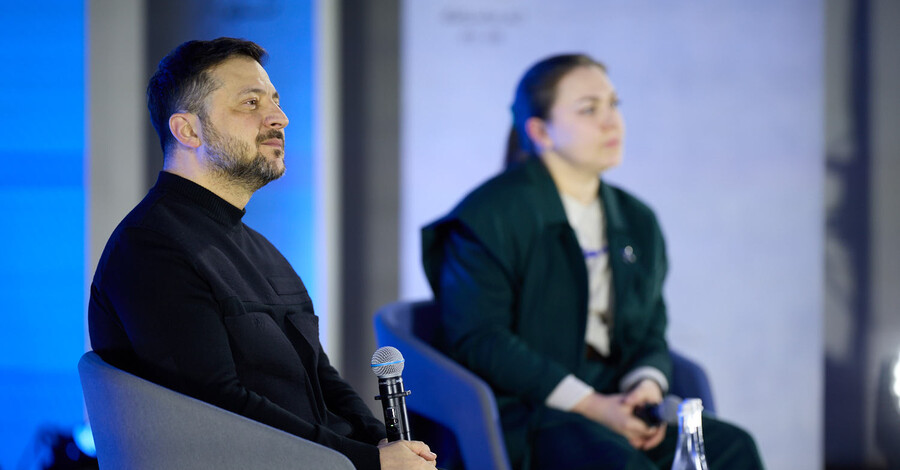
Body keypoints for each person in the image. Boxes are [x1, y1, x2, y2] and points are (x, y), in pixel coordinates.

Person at [88, 37, 436, 470]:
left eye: (275, 101)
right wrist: (368, 462)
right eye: (250, 103)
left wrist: (384, 445)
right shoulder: (151, 248)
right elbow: (217, 410)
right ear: (188, 131)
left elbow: (321, 378)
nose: (279, 118)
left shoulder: (260, 249)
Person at [421, 54, 764, 469]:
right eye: (589, 109)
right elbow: (480, 339)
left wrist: (646, 386)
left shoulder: (636, 219)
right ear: (540, 131)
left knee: (733, 448)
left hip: (617, 401)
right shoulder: (489, 216)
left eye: (614, 105)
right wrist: (591, 405)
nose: (611, 122)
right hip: (531, 413)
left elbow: (650, 329)